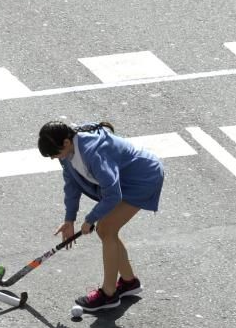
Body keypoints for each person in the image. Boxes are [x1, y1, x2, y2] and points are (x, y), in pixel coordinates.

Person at [38, 120, 164, 312]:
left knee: (106, 229)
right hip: (127, 180)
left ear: (66, 142)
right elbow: (71, 185)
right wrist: (69, 219)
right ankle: (129, 282)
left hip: (143, 179)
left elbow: (113, 195)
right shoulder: (68, 152)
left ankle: (109, 294)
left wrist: (90, 219)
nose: (55, 159)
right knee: (107, 230)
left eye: (55, 154)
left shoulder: (94, 153)